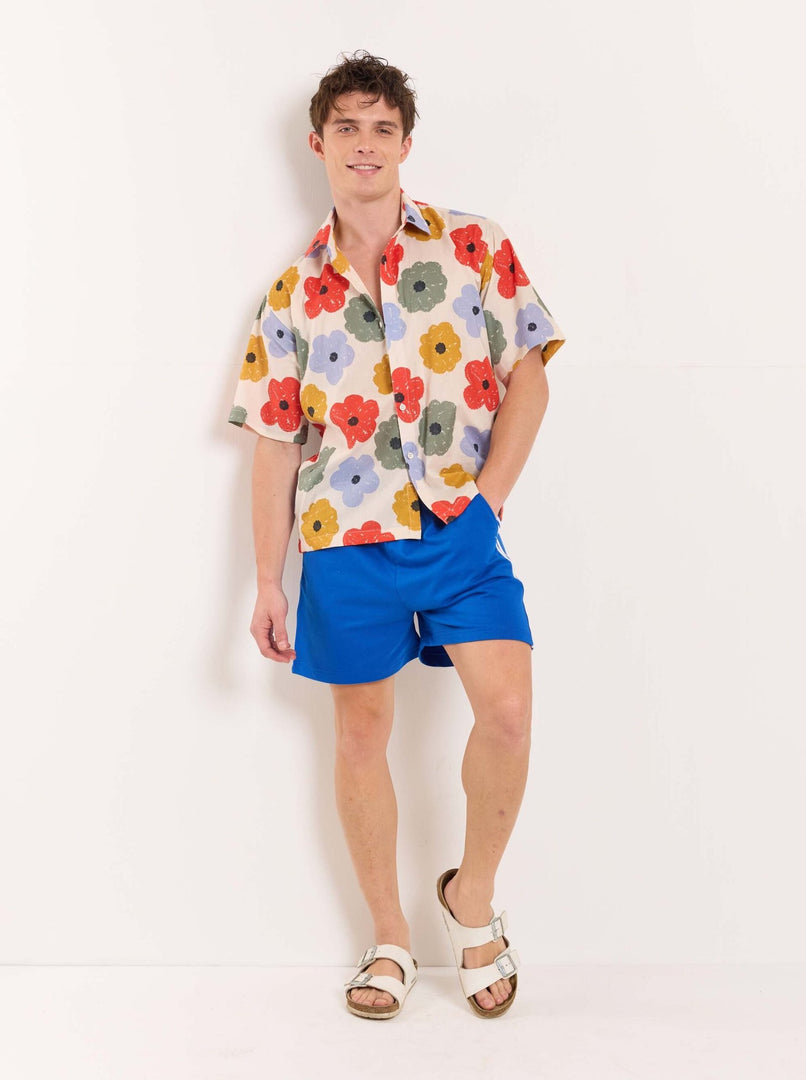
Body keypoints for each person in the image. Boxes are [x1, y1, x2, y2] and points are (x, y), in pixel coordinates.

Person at [228, 50, 566, 1020]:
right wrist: (267, 580)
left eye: (383, 128)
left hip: (461, 528)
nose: (365, 144)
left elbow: (531, 374)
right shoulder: (292, 294)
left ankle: (473, 901)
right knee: (361, 734)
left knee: (507, 711)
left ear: (407, 143)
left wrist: (488, 503)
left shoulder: (474, 246)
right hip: (346, 541)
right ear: (318, 144)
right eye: (348, 127)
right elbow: (275, 442)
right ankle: (389, 937)